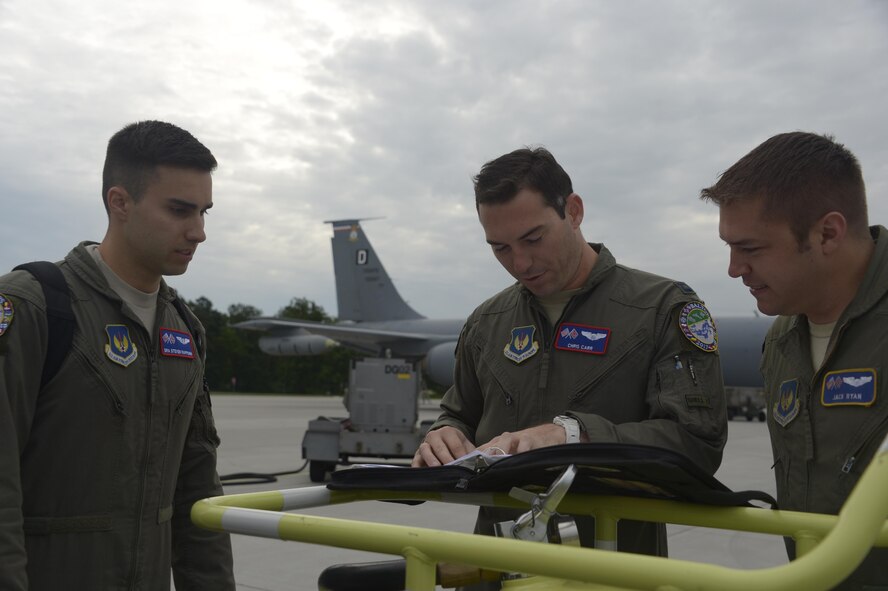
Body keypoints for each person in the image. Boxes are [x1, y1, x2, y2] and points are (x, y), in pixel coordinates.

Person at [413, 147, 727, 586]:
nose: (519, 264)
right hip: (494, 567)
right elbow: (458, 413)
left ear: (573, 211)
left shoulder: (661, 309)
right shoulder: (487, 322)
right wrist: (442, 435)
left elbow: (697, 440)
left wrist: (573, 435)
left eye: (533, 239)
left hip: (611, 569)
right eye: (500, 248)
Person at [0, 120, 235, 590]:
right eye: (179, 210)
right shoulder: (33, 308)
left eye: (205, 212)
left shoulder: (184, 331)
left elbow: (198, 491)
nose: (199, 232)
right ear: (120, 202)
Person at [701, 131, 888, 589]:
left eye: (750, 249)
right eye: (729, 247)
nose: (733, 268)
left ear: (827, 233)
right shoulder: (782, 341)